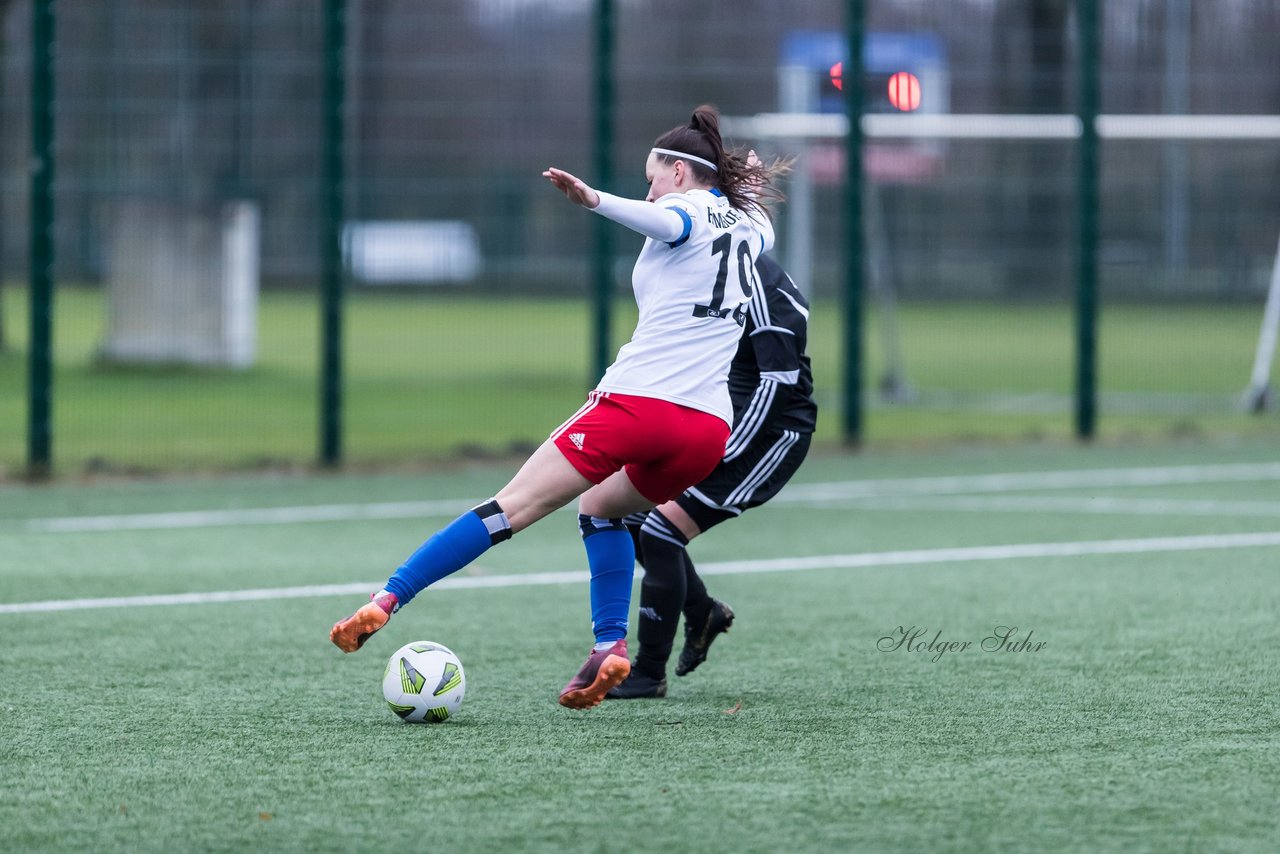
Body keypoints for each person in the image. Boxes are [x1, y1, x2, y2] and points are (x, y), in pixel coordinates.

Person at [330, 105, 788, 710]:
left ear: (680, 172)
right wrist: (742, 172)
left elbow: (668, 222)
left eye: (653, 174)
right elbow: (736, 198)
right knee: (601, 510)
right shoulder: (756, 227)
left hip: (638, 405)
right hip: (705, 429)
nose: (647, 186)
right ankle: (609, 646)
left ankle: (386, 599)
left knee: (507, 509)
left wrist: (595, 199)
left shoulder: (683, 211)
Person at [606, 253, 817, 699]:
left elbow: (780, 381)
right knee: (630, 520)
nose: (651, 196)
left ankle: (648, 674)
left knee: (661, 532)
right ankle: (702, 612)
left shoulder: (760, 278)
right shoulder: (704, 265)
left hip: (769, 433)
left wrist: (726, 450)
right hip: (717, 422)